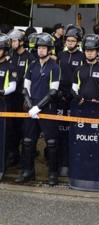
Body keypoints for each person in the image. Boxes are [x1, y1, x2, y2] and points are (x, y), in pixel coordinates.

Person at [16, 33, 60, 185]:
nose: (41, 50)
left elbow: (53, 91)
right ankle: (27, 171)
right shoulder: (32, 65)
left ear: (50, 49)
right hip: (31, 108)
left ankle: (53, 174)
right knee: (28, 141)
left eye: (44, 48)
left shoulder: (54, 67)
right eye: (39, 47)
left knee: (52, 142)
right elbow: (25, 87)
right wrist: (29, 104)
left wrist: (38, 107)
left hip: (47, 108)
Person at [56, 25, 85, 176]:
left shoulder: (82, 57)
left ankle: (73, 161)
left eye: (73, 41)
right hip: (61, 97)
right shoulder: (60, 55)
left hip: (75, 98)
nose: (70, 43)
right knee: (60, 130)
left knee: (74, 131)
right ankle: (60, 161)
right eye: (68, 40)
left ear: (78, 42)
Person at [8, 29, 36, 166]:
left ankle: (25, 158)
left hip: (23, 98)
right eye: (11, 41)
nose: (12, 43)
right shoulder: (9, 55)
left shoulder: (30, 58)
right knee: (11, 127)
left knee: (24, 129)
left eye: (14, 40)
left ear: (21, 42)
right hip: (10, 97)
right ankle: (13, 154)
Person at [0, 33, 17, 178]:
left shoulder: (9, 66)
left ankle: (2, 166)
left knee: (3, 136)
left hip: (4, 104)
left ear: (5, 50)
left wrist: (2, 91)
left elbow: (13, 86)